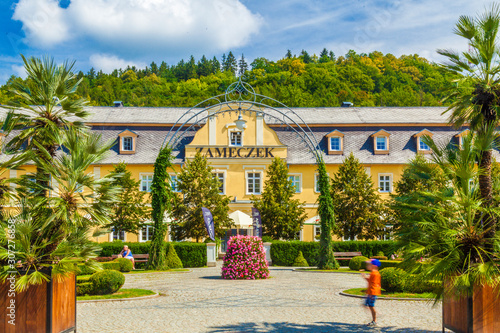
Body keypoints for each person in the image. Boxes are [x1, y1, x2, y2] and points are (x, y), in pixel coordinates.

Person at [361, 258, 381, 327]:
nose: (367, 265)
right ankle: (375, 316)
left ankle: (375, 320)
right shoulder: (373, 273)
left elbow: (374, 284)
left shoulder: (375, 273)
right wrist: (364, 276)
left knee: (371, 306)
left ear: (374, 266)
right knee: (368, 305)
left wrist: (369, 292)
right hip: (371, 292)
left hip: (372, 292)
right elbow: (370, 281)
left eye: (369, 264)